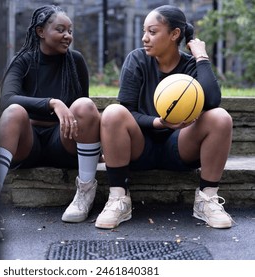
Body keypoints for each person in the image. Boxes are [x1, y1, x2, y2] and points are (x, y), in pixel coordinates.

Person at [95, 5, 234, 230]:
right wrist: (157, 122)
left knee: (220, 117)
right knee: (112, 112)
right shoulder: (137, 60)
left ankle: (207, 200)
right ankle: (118, 198)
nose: (144, 38)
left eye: (152, 31)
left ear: (174, 34)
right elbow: (127, 111)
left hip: (180, 146)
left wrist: (201, 56)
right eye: (144, 31)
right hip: (140, 146)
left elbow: (212, 101)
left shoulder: (190, 64)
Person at [0, 5, 100, 224]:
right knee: (14, 111)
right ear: (40, 31)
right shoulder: (22, 61)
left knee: (85, 104)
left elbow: (83, 114)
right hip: (28, 142)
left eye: (70, 31)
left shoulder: (76, 62)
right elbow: (7, 99)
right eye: (60, 29)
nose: (67, 36)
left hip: (63, 141)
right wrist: (52, 103)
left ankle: (85, 193)